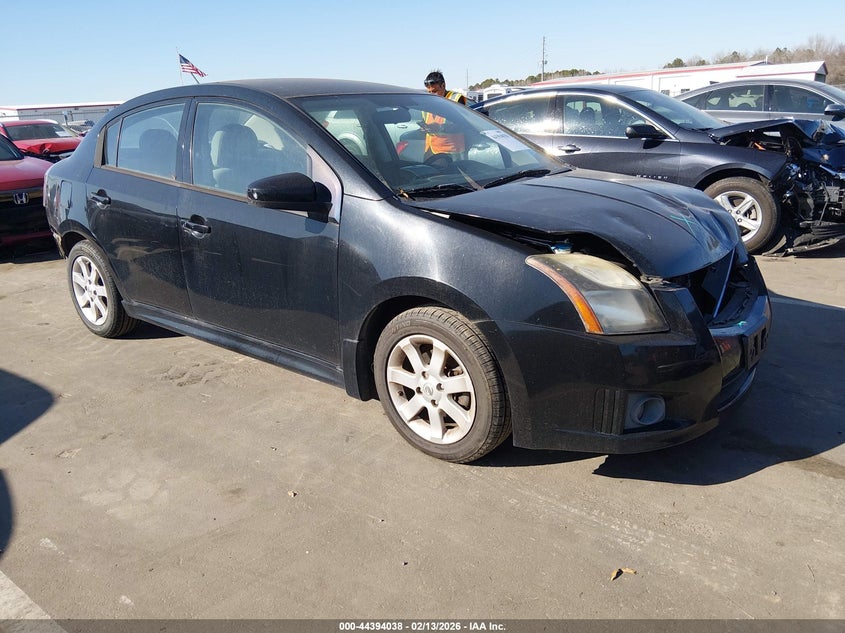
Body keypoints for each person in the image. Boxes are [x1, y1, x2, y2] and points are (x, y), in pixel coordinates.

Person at [421, 71, 467, 159]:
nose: (432, 94)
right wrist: (424, 128)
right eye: (429, 92)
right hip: (430, 151)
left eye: (435, 91)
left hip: (452, 152)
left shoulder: (455, 100)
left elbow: (462, 125)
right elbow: (426, 121)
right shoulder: (428, 103)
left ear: (443, 85)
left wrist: (439, 128)